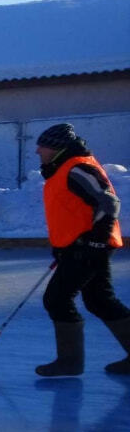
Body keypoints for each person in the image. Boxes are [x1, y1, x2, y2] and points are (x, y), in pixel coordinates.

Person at [32, 123, 130, 376]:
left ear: (56, 148)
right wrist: (63, 246)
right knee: (100, 300)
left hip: (89, 248)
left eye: (42, 145)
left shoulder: (77, 167)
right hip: (80, 247)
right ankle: (71, 362)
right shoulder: (63, 168)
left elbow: (109, 203)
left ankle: (70, 362)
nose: (37, 150)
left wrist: (95, 242)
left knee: (57, 298)